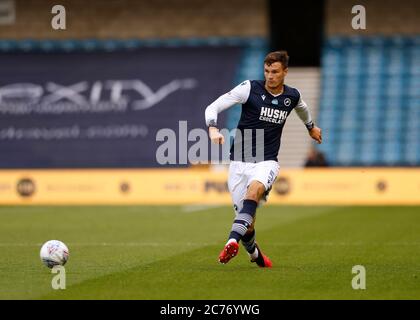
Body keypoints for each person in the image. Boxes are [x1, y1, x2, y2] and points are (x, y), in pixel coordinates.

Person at [204, 51, 322, 267]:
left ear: (285, 72)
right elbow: (213, 106)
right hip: (238, 162)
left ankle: (231, 241)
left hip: (267, 161)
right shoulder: (249, 88)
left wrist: (311, 127)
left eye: (275, 71)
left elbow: (302, 108)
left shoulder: (292, 96)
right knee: (247, 223)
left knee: (255, 191)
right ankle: (255, 255)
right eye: (267, 71)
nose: (270, 76)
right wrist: (212, 128)